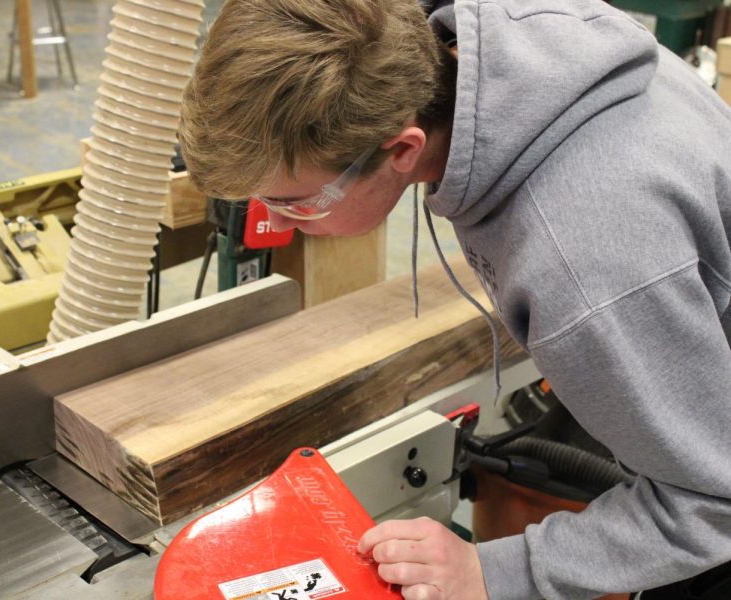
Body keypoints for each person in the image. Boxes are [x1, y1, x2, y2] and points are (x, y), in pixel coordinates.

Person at [177, 0, 731, 598]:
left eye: (295, 202)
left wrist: (490, 571)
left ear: (403, 150)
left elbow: (710, 502)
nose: (275, 220)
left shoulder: (581, 265)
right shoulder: (505, 42)